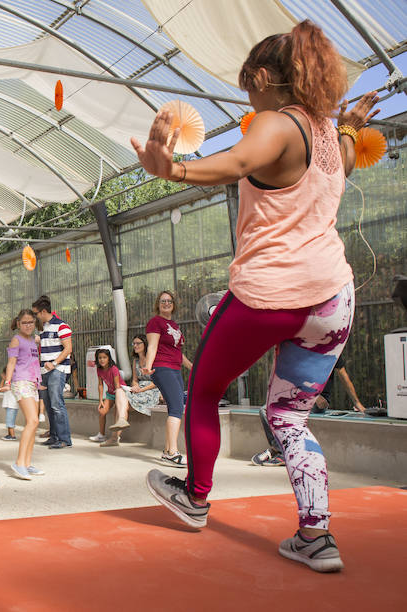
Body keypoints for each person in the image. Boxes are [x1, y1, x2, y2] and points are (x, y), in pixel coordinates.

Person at [133, 20, 379, 571]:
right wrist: (351, 125)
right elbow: (341, 159)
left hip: (271, 295)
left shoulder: (279, 121)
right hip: (332, 299)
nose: (249, 100)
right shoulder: (325, 135)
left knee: (203, 389)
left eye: (249, 88)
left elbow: (241, 161)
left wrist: (173, 169)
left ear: (264, 78)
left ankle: (194, 498)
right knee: (289, 415)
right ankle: (315, 536)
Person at [142, 290, 192, 467]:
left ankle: (167, 451)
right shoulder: (156, 322)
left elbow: (178, 352)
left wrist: (192, 367)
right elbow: (152, 346)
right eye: (162, 301)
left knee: (176, 408)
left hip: (176, 369)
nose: (166, 303)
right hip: (163, 368)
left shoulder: (174, 325)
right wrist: (148, 365)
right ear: (158, 304)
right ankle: (172, 452)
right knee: (177, 408)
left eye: (169, 301)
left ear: (173, 304)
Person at [1, 309, 46, 480]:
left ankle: (27, 463)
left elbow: (33, 363)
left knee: (34, 424)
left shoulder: (33, 341)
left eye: (31, 322)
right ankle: (19, 463)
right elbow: (11, 362)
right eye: (24, 322)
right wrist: (7, 382)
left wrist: (38, 382)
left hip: (33, 383)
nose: (28, 325)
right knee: (33, 421)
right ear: (18, 324)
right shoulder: (16, 340)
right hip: (20, 382)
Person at [32, 296, 73, 449]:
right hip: (44, 371)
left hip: (58, 370)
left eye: (36, 313)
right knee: (49, 405)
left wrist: (54, 363)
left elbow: (68, 349)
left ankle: (64, 439)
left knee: (57, 404)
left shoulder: (62, 326)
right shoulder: (43, 328)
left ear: (43, 311)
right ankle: (54, 436)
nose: (35, 316)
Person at [88, 349, 131, 447]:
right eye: (100, 358)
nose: (102, 360)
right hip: (110, 394)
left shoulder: (114, 369)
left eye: (104, 357)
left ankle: (116, 437)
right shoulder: (99, 369)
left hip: (119, 393)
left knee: (117, 412)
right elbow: (100, 385)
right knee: (102, 411)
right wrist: (100, 401)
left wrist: (117, 401)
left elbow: (117, 386)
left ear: (109, 358)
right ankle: (101, 435)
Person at [126, 333, 161, 418]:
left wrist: (141, 390)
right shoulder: (136, 360)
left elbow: (157, 382)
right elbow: (134, 379)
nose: (135, 345)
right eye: (133, 343)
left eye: (138, 343)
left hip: (152, 389)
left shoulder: (153, 359)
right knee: (121, 396)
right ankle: (120, 423)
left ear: (145, 344)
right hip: (140, 388)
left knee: (126, 404)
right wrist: (136, 386)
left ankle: (120, 425)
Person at [0, 365, 19, 441]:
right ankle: (9, 434)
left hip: (12, 405)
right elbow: (0, 387)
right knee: (9, 420)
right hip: (8, 405)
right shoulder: (8, 383)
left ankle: (12, 435)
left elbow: (1, 389)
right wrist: (3, 379)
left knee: (10, 421)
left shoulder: (13, 383)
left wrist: (4, 378)